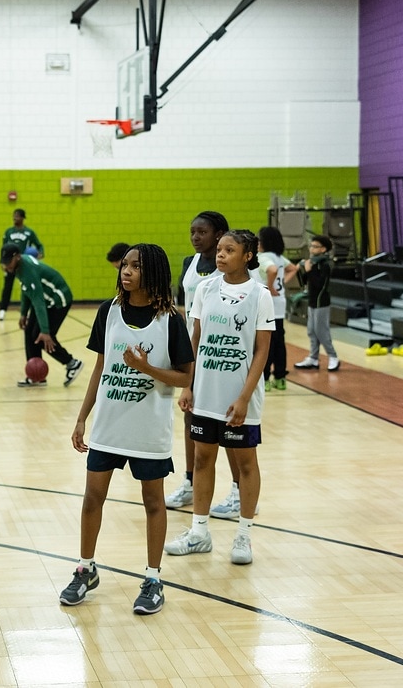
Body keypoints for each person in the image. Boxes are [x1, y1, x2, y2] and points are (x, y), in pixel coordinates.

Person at [61, 243, 193, 615]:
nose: (126, 271)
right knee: (92, 498)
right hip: (109, 426)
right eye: (124, 265)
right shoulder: (110, 312)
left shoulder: (171, 321)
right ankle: (85, 568)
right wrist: (82, 417)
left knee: (153, 503)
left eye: (135, 266)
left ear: (152, 273)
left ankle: (153, 578)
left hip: (148, 431)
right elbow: (101, 367)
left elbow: (185, 376)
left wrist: (146, 368)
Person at [166, 230, 274, 565]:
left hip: (239, 397)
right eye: (220, 250)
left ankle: (244, 535)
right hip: (205, 394)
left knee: (244, 463)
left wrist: (244, 397)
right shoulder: (206, 289)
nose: (221, 255)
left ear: (247, 256)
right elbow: (195, 339)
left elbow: (261, 352)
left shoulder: (260, 294)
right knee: (201, 460)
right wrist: (188, 384)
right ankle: (199, 532)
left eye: (230, 250)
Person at [166, 211, 230, 514]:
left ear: (218, 234)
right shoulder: (188, 265)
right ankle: (190, 483)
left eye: (202, 232)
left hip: (222, 353)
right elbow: (182, 309)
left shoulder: (230, 268)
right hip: (193, 351)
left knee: (229, 422)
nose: (195, 237)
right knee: (190, 417)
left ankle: (240, 492)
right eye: (192, 231)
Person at [3, 244, 83, 387]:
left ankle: (72, 363)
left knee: (41, 338)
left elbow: (39, 302)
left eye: (9, 262)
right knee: (30, 332)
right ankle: (36, 376)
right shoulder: (19, 266)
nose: (6, 265)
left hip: (58, 300)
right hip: (45, 301)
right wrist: (23, 313)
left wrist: (45, 331)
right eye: (4, 262)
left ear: (17, 257)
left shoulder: (28, 271)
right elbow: (26, 290)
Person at [290, 235, 339, 371]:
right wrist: (303, 271)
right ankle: (313, 358)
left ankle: (333, 356)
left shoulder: (326, 264)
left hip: (321, 302)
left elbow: (319, 284)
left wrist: (309, 270)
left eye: (315, 246)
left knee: (321, 331)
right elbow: (306, 281)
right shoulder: (313, 262)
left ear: (323, 249)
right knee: (311, 330)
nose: (312, 249)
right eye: (311, 246)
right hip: (312, 301)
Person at [256, 226, 290, 390]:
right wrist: (282, 284)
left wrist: (269, 287)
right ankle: (281, 378)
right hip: (280, 304)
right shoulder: (279, 257)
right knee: (279, 342)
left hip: (267, 305)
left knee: (265, 343)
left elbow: (272, 270)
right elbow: (294, 268)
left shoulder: (263, 258)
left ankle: (265, 379)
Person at [0, 208, 44, 321]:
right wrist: (2, 262)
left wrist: (40, 253)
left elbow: (39, 245)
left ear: (23, 218)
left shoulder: (29, 232)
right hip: (10, 264)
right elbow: (3, 248)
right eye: (14, 216)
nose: (15, 218)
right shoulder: (9, 232)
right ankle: (2, 311)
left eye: (17, 216)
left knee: (27, 287)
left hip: (23, 265)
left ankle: (28, 310)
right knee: (7, 288)